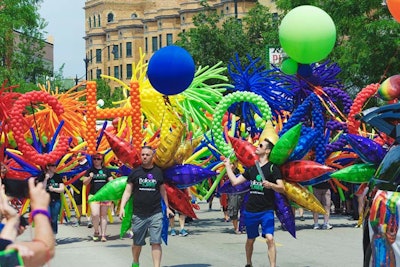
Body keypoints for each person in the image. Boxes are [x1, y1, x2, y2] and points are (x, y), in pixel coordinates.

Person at [224, 138, 284, 267]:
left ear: (267, 150)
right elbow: (235, 182)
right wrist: (228, 167)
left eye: (261, 145)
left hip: (266, 210)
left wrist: (271, 185)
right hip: (251, 210)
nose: (257, 146)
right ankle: (249, 263)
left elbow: (282, 188)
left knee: (270, 238)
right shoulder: (252, 169)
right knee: (250, 239)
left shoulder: (273, 168)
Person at [119, 146, 174, 267]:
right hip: (139, 214)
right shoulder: (135, 172)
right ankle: (135, 261)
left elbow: (162, 191)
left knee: (156, 242)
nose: (144, 157)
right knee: (137, 243)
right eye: (143, 154)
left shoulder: (158, 172)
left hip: (156, 212)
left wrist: (167, 207)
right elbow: (128, 191)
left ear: (152, 156)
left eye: (147, 155)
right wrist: (122, 207)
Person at [0, 178, 55, 267]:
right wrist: (39, 208)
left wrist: (12, 219)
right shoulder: (6, 256)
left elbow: (3, 243)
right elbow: (47, 249)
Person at [82, 153, 113, 242]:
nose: (96, 160)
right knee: (95, 214)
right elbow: (84, 183)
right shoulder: (90, 170)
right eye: (94, 159)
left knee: (103, 215)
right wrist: (90, 177)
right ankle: (96, 231)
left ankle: (103, 234)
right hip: (94, 195)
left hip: (105, 195)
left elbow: (111, 182)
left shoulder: (106, 170)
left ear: (102, 160)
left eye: (98, 159)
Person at [37, 162, 65, 238]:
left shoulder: (57, 176)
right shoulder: (42, 176)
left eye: (55, 165)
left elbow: (62, 189)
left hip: (56, 200)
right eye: (52, 165)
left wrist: (54, 189)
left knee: (54, 219)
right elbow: (41, 188)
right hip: (45, 201)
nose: (54, 167)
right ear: (47, 167)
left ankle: (53, 237)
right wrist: (45, 179)